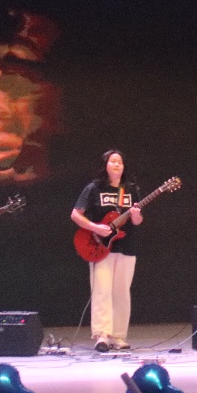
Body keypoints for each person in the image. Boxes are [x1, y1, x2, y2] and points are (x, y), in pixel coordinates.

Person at [71, 149, 144, 352]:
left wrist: (136, 215)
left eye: (120, 162)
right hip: (100, 247)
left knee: (122, 292)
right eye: (112, 161)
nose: (116, 164)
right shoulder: (94, 188)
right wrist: (95, 228)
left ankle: (118, 336)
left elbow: (138, 221)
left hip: (126, 246)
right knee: (102, 291)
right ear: (105, 165)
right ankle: (102, 335)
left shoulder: (131, 190)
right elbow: (75, 214)